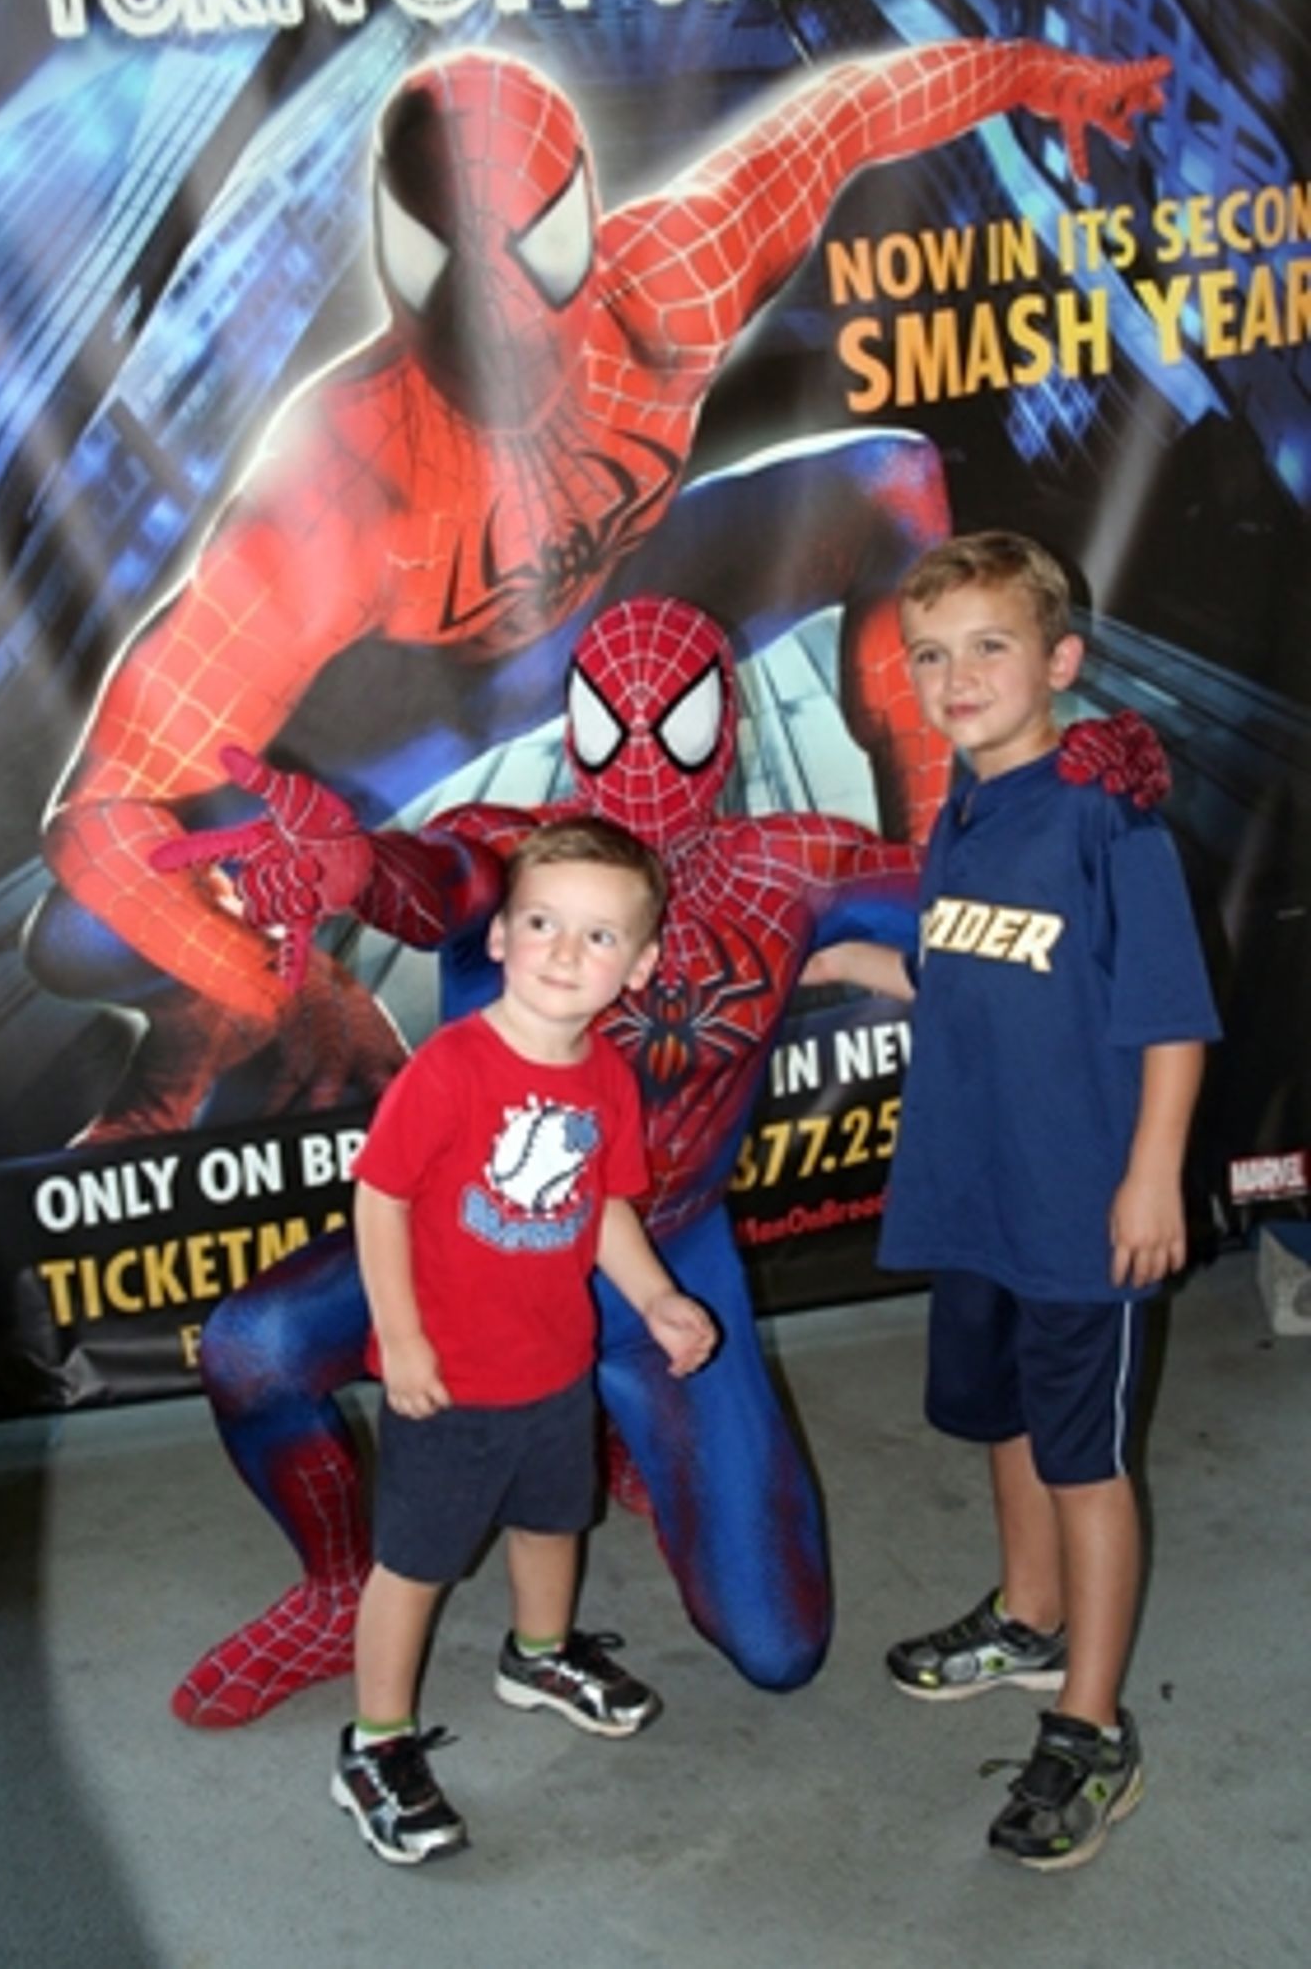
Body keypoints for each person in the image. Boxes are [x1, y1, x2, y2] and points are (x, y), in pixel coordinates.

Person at [25, 38, 1170, 1141]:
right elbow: (103, 817)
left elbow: (852, 114)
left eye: (529, 256)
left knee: (889, 481)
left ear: (577, 221)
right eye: (455, 265)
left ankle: (946, 886)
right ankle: (211, 1023)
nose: (500, 313)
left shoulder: (672, 280)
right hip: (414, 713)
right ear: (398, 260)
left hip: (627, 610)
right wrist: (287, 987)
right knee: (84, 932)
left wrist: (1042, 75)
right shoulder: (336, 483)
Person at [158, 594, 1162, 1729]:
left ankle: (613, 1424)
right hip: (480, 1248)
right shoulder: (524, 853)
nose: (640, 759)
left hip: (661, 1259)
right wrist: (352, 871)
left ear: (723, 730)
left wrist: (1069, 791)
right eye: (611, 720)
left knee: (777, 1647)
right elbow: (440, 878)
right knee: (253, 1348)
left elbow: (984, 916)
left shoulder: (789, 867)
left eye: (672, 725)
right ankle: (339, 1586)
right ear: (573, 722)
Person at [807, 531, 1219, 1871]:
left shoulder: (1107, 820)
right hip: (971, 1193)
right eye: (929, 655)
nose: (956, 676)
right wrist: (838, 963)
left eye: (988, 646)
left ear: (1061, 661)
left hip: (1078, 1209)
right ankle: (1028, 1619)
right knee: (1002, 1420)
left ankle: (1089, 1728)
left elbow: (1169, 1018)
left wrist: (1149, 1175)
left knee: (1083, 1461)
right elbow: (962, 967)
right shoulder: (963, 814)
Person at [333, 816, 717, 1864]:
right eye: (542, 923)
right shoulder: (451, 1068)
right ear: (499, 936)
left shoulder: (606, 1078)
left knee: (555, 1521)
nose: (563, 951)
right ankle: (374, 1743)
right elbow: (379, 1200)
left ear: (639, 967)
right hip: (448, 1381)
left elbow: (602, 1207)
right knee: (413, 1564)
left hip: (554, 1366)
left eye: (599, 936)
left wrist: (656, 1299)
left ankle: (539, 1654)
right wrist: (401, 1338)